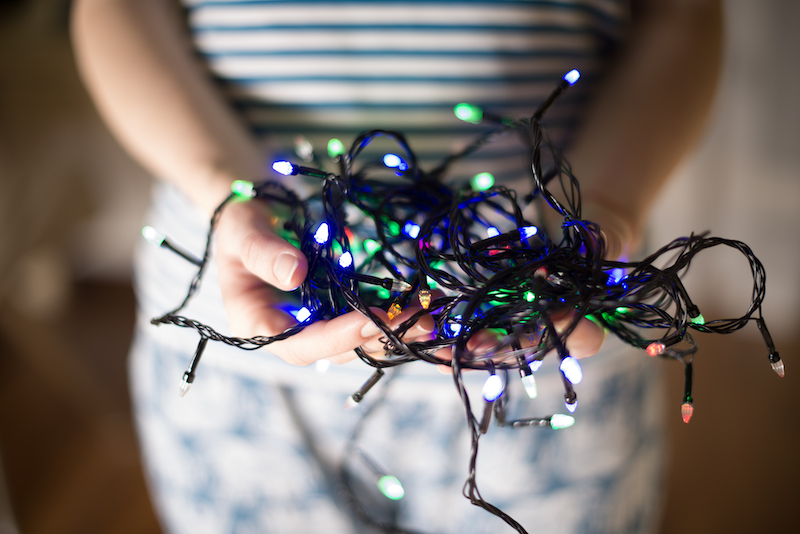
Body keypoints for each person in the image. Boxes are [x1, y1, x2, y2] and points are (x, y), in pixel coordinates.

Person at [72, 1, 722, 533]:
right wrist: (231, 187)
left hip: (548, 366)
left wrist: (604, 211)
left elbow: (683, 17)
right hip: (241, 367)